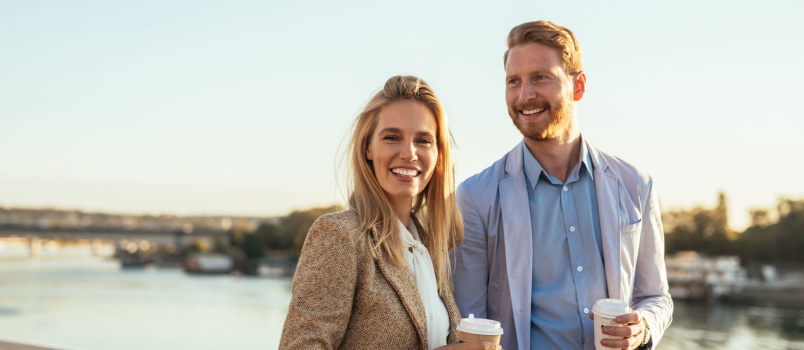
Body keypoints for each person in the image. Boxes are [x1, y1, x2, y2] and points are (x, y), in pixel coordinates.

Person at [451, 20, 673, 350]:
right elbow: (470, 323)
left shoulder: (636, 185)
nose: (525, 95)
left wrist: (643, 327)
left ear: (578, 86)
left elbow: (656, 296)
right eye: (514, 81)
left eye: (540, 77)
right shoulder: (475, 197)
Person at [279, 75, 502, 350]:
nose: (409, 153)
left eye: (423, 140)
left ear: (438, 155)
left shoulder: (427, 247)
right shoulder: (340, 236)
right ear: (368, 148)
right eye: (392, 137)